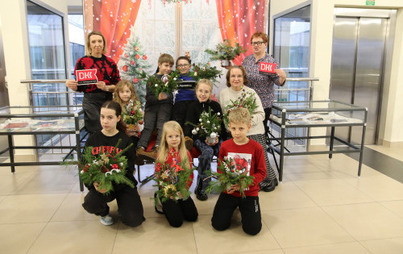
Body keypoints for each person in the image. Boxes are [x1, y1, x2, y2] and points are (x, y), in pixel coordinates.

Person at [81, 101, 145, 227]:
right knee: (90, 204)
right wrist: (93, 184)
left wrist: (112, 183)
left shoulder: (126, 141)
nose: (105, 121)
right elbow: (85, 166)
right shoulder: (93, 139)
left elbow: (129, 170)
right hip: (101, 185)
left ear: (118, 118)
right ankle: (104, 212)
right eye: (102, 116)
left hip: (122, 185)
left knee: (134, 220)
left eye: (110, 117)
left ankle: (124, 208)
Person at [218, 65, 278, 192]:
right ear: (228, 79)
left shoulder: (250, 93)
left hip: (253, 130)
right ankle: (239, 180)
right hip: (234, 132)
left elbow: (261, 114)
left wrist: (247, 123)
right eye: (233, 76)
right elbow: (222, 115)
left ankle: (269, 179)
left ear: (243, 78)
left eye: (239, 76)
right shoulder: (223, 94)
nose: (236, 79)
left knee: (260, 156)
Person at [211, 107, 266, 235]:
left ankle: (244, 208)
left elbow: (262, 172)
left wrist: (246, 183)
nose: (237, 133)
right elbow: (220, 169)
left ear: (248, 126)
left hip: (249, 192)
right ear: (229, 127)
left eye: (241, 128)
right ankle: (234, 208)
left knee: (253, 230)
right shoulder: (225, 146)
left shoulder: (256, 147)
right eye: (233, 128)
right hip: (229, 191)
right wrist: (225, 183)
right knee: (218, 225)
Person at [66, 31, 120, 134]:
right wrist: (71, 85)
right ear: (89, 44)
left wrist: (106, 88)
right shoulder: (82, 62)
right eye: (93, 41)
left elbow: (118, 85)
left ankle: (108, 150)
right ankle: (95, 150)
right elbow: (79, 87)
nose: (97, 44)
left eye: (99, 41)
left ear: (103, 43)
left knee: (108, 127)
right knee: (95, 129)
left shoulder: (110, 62)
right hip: (90, 101)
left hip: (107, 99)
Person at [184, 79, 226, 201]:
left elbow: (221, 125)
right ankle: (203, 185)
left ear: (211, 93)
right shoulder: (192, 107)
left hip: (216, 138)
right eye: (200, 91)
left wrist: (217, 137)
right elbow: (189, 126)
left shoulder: (215, 106)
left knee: (223, 151)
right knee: (207, 153)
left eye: (206, 91)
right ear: (196, 91)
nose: (203, 94)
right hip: (199, 139)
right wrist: (204, 139)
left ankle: (226, 182)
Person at [155, 121, 198, 227]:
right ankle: (160, 199)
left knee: (192, 216)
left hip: (181, 189)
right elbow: (159, 175)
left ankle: (179, 204)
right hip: (167, 190)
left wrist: (184, 190)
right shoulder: (161, 154)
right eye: (170, 136)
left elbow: (189, 174)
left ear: (181, 137)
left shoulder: (185, 153)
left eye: (177, 136)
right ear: (165, 138)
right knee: (177, 222)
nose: (174, 139)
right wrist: (167, 191)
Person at [242, 31, 286, 135]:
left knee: (259, 131)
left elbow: (277, 81)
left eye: (259, 43)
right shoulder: (248, 60)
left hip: (263, 103)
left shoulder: (270, 62)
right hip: (247, 102)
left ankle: (261, 150)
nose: (256, 45)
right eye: (253, 43)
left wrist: (283, 77)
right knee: (246, 129)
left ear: (265, 44)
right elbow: (241, 76)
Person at [136, 54, 174, 159]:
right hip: (151, 107)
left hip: (165, 106)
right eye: (166, 65)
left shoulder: (171, 79)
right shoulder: (152, 79)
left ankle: (158, 147)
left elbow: (170, 96)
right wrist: (158, 97)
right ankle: (140, 148)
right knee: (148, 126)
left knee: (161, 126)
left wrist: (166, 96)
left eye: (170, 66)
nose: (168, 68)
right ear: (159, 64)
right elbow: (149, 97)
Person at [113, 79, 143, 149]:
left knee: (131, 144)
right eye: (122, 92)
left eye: (127, 91)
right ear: (118, 93)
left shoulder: (135, 106)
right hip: (120, 134)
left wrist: (139, 127)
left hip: (133, 134)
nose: (125, 94)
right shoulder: (115, 106)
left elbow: (141, 120)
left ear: (131, 93)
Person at [172, 54, 197, 126]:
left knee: (190, 125)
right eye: (180, 65)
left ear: (189, 66)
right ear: (176, 67)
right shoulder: (174, 77)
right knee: (178, 126)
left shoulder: (195, 77)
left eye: (185, 65)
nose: (183, 67)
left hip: (192, 104)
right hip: (179, 105)